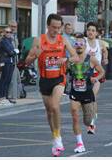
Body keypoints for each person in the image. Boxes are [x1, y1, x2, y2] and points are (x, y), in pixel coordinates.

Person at [25, 13, 79, 157]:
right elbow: (27, 61)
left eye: (58, 27)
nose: (56, 30)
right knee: (49, 112)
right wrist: (35, 55)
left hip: (59, 79)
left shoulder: (63, 40)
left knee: (55, 106)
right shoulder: (39, 40)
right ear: (48, 26)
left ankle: (59, 137)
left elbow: (76, 57)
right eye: (53, 27)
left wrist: (66, 59)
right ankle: (55, 137)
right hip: (45, 80)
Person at [69, 33, 105, 153]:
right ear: (74, 46)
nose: (78, 46)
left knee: (87, 121)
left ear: (85, 46)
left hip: (87, 93)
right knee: (74, 114)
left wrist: (96, 78)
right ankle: (80, 144)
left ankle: (92, 121)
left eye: (81, 44)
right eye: (76, 44)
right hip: (75, 92)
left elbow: (102, 72)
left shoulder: (92, 59)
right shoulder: (72, 59)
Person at [84, 22, 108, 134]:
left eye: (93, 30)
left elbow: (105, 51)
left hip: (96, 74)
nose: (90, 32)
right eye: (89, 30)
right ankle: (92, 114)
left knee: (92, 96)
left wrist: (105, 58)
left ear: (96, 33)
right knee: (85, 101)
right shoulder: (83, 42)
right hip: (83, 74)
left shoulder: (100, 43)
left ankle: (92, 124)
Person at [0, 27, 19, 106]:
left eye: (10, 32)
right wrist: (14, 52)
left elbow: (13, 51)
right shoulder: (3, 41)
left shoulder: (10, 41)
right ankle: (1, 98)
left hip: (11, 62)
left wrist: (14, 51)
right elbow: (10, 52)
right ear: (4, 32)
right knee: (4, 80)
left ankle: (5, 97)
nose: (9, 33)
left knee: (8, 80)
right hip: (5, 62)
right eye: (7, 32)